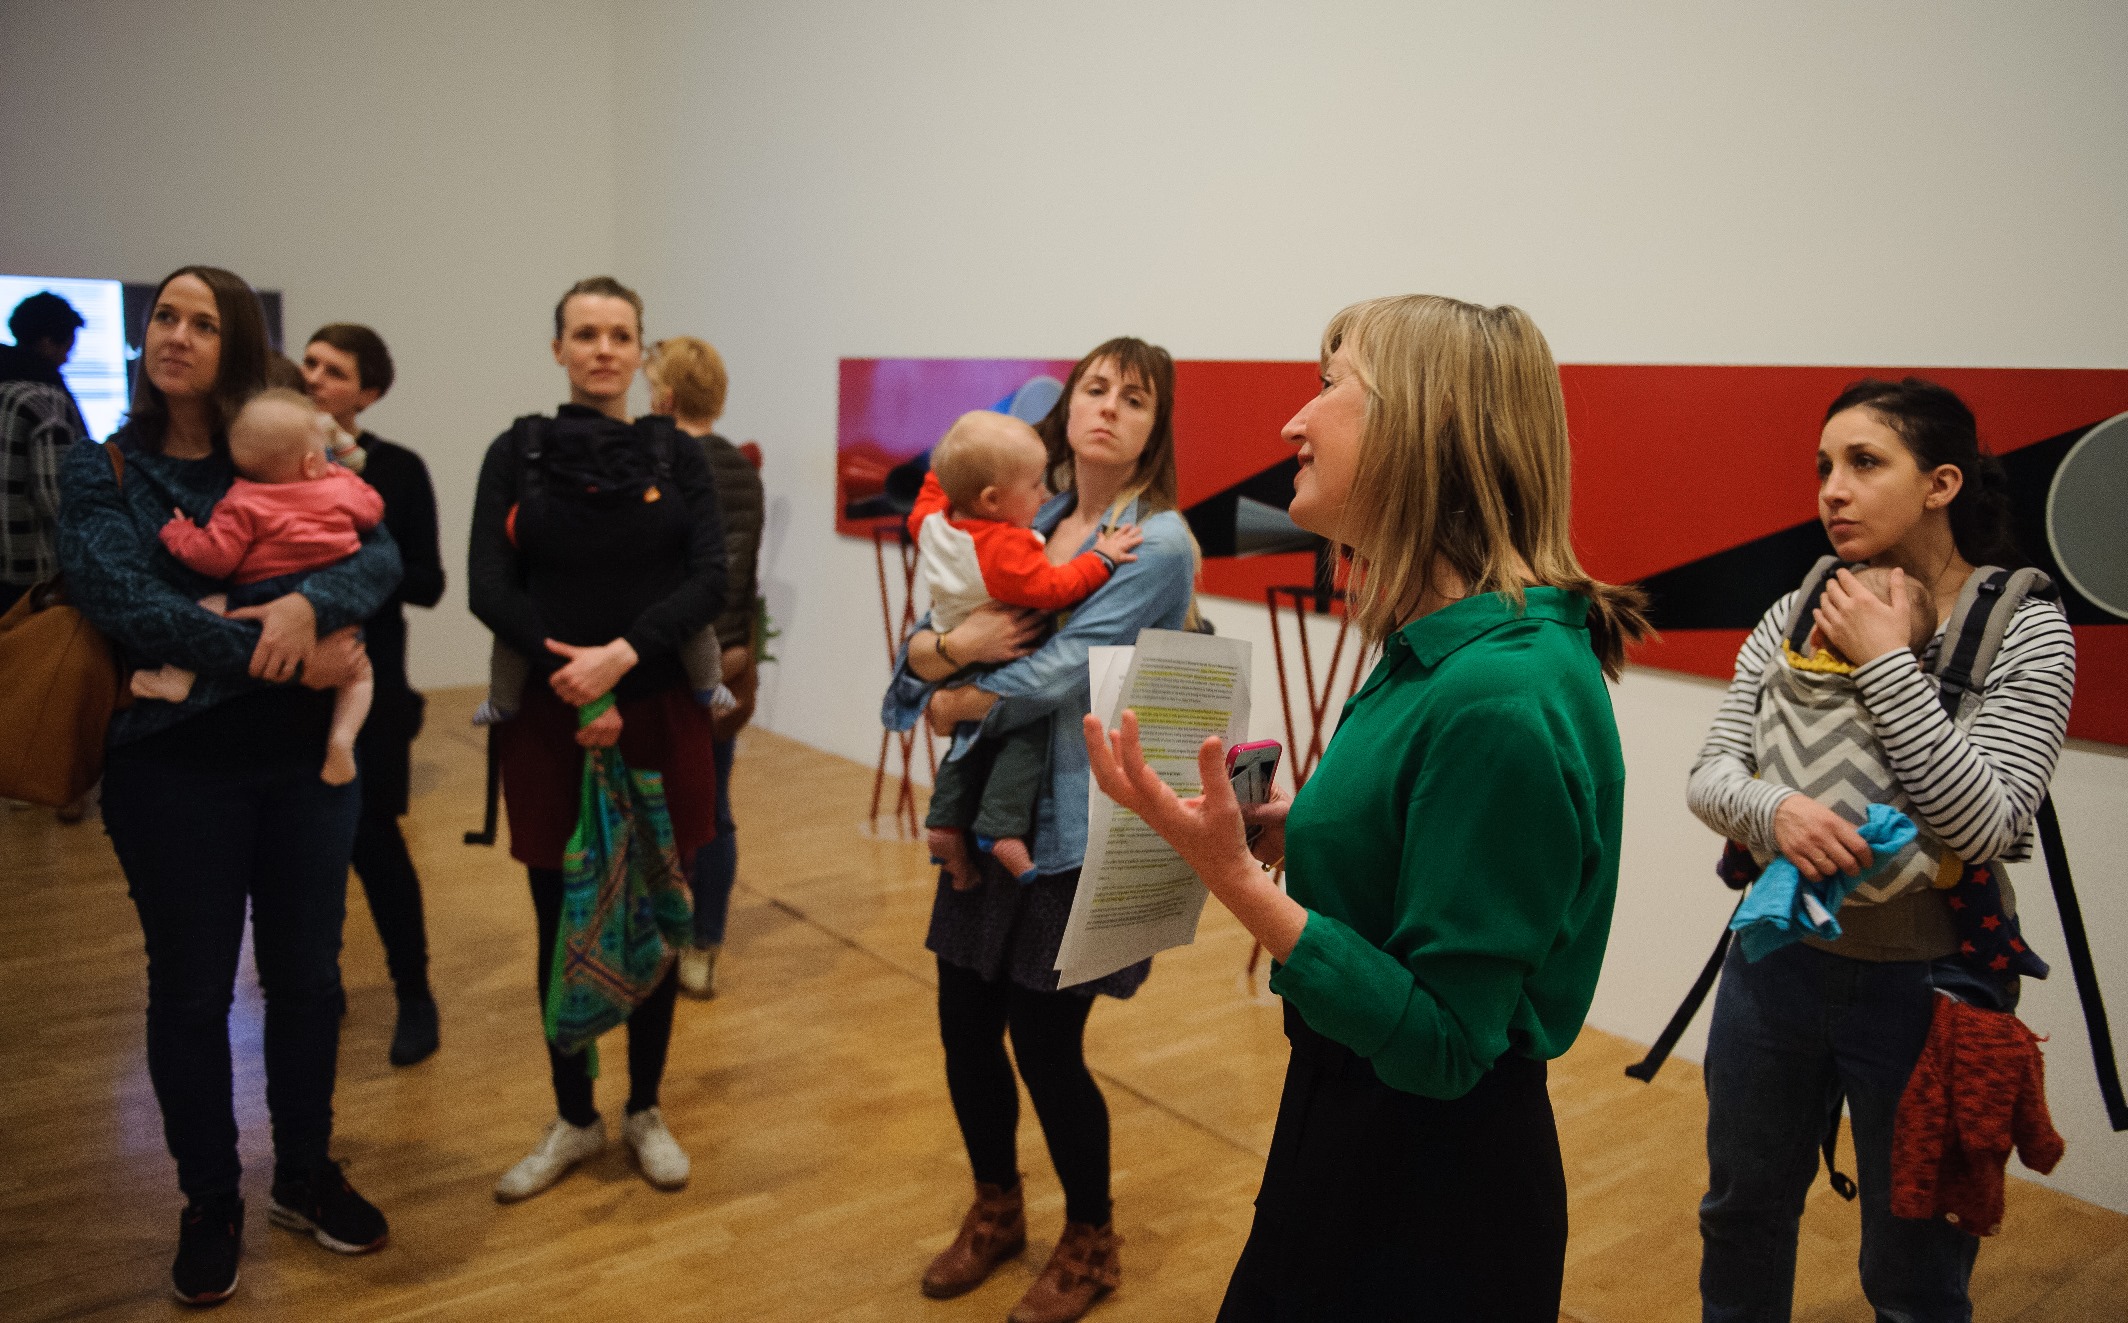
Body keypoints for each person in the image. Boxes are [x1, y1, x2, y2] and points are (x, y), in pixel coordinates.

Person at [1083, 295, 1650, 1322]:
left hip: (1429, 1197)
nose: (1293, 422)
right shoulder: (1442, 650)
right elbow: (1418, 866)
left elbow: (1446, 1042)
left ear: (1429, 422)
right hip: (1352, 1133)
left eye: (1329, 384)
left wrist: (1233, 878)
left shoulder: (1498, 694)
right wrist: (1293, 834)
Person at [1687, 377, 2076, 1321]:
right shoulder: (1799, 605)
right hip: (1774, 963)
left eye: (1865, 462)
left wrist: (1887, 660)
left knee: (1913, 1272)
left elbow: (1985, 824)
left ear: (1942, 483)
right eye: (1824, 465)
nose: (1833, 488)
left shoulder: (2025, 628)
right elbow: (1710, 772)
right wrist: (1775, 809)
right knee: (1741, 1214)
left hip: (1930, 988)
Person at [55, 265, 401, 1305]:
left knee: (309, 980)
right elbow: (126, 603)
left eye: (203, 323)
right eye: (164, 316)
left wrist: (305, 608)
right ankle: (210, 1199)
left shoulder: (291, 442)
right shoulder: (105, 467)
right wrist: (288, 649)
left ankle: (302, 1172)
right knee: (193, 991)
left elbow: (378, 555)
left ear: (236, 343)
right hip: (172, 771)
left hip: (304, 765)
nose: (177, 334)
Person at [883, 337, 1195, 1323]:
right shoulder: (1035, 512)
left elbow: (1069, 672)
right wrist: (950, 649)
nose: (1106, 407)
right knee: (963, 1027)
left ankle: (1091, 1242)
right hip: (986, 816)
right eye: (1093, 388)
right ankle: (996, 1209)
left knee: (1046, 1045)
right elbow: (928, 627)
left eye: (1133, 398)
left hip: (1074, 828)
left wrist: (951, 693)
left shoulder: (1160, 544)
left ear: (1155, 427)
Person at [469, 276, 727, 1202]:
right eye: (585, 334)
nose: (603, 349)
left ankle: (645, 1107)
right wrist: (572, 672)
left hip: (658, 709)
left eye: (620, 334)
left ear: (640, 349)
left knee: (659, 908)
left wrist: (619, 659)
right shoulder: (517, 451)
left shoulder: (676, 453)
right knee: (560, 914)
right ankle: (574, 1116)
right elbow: (489, 585)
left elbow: (708, 577)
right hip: (553, 717)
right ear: (559, 349)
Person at [911, 410, 1142, 886]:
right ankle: (1002, 827)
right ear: (992, 500)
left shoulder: (931, 522)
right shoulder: (1004, 550)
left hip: (957, 652)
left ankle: (944, 822)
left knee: (967, 744)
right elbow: (1056, 588)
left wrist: (958, 458)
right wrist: (1101, 558)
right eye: (1035, 484)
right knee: (1027, 733)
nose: (1045, 494)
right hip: (1004, 659)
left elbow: (935, 486)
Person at [301, 322, 447, 1066]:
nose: (314, 377)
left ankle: (414, 992)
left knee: (375, 841)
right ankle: (316, 985)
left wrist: (358, 549)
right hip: (290, 684)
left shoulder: (399, 469)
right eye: (310, 363)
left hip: (372, 681)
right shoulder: (268, 460)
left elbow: (428, 582)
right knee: (298, 847)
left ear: (370, 392)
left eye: (334, 370)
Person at [129, 389, 379, 787]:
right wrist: (345, 477)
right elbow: (372, 513)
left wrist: (177, 532)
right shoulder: (340, 487)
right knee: (359, 673)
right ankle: (343, 739)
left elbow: (216, 557)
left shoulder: (242, 499)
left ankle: (176, 678)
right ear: (312, 462)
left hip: (262, 594)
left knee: (207, 607)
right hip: (332, 598)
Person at [645, 334, 763, 998]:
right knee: (712, 804)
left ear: (664, 395)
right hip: (723, 659)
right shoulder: (742, 467)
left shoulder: (661, 462)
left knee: (654, 806)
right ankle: (703, 944)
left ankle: (659, 935)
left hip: (666, 662)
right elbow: (738, 576)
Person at [1, 291, 88, 613]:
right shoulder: (45, 400)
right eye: (68, 344)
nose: (68, 356)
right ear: (50, 341)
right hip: (36, 577)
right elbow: (57, 497)